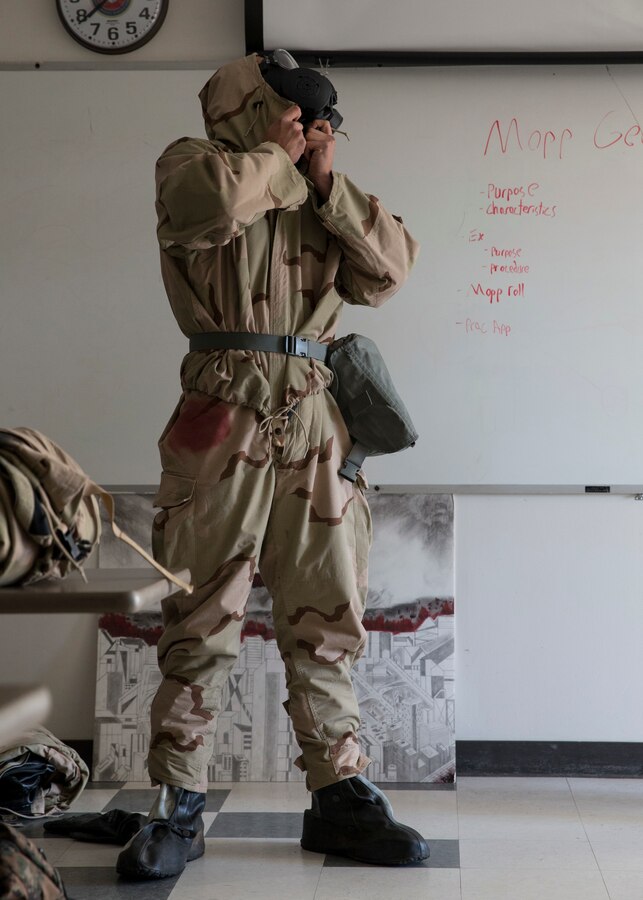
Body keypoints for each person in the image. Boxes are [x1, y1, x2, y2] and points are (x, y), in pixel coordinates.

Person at [116, 51, 428, 879]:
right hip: (222, 413)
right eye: (290, 111)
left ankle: (338, 793)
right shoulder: (195, 163)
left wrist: (327, 184)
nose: (307, 123)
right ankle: (178, 801)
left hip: (318, 421)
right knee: (201, 617)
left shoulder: (317, 191)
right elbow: (209, 209)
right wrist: (282, 162)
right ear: (256, 110)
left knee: (328, 622)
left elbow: (391, 268)